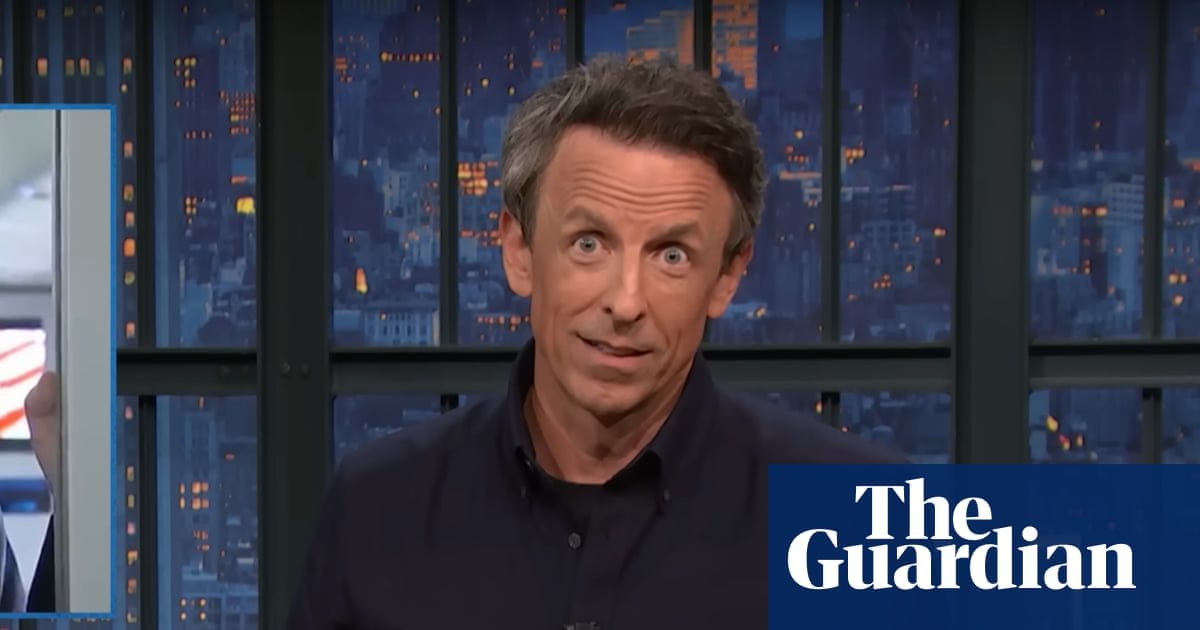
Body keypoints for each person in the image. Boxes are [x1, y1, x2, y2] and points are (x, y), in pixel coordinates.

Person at [287, 55, 907, 630]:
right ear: (518, 250)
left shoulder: (871, 515)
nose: (626, 302)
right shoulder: (377, 505)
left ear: (727, 276)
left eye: (671, 255)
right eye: (589, 244)